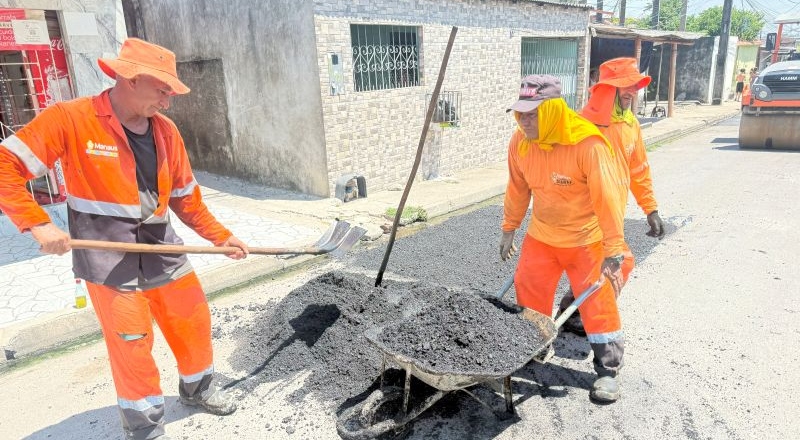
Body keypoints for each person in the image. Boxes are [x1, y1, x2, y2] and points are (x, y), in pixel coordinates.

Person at [0, 38, 249, 440]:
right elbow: (5, 165)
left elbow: (186, 200)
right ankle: (145, 426)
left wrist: (222, 237)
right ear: (131, 79)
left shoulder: (166, 132)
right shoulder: (71, 119)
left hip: (161, 246)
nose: (168, 101)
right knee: (131, 342)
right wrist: (36, 223)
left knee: (192, 317)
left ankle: (198, 387)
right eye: (163, 90)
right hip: (107, 254)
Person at [499, 74, 628, 402]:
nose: (524, 121)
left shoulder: (587, 145)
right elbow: (517, 188)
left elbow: (608, 199)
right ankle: (535, 345)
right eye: (521, 114)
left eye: (532, 114)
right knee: (527, 289)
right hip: (542, 236)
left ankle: (607, 370)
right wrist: (509, 228)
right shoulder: (521, 143)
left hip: (585, 239)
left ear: (553, 111)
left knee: (597, 301)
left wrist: (613, 248)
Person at [559, 57, 666, 336]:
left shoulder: (630, 126)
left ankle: (572, 311)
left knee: (601, 266)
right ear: (607, 90)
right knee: (617, 263)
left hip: (611, 216)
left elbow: (639, 170)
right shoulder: (582, 126)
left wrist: (650, 209)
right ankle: (589, 319)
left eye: (634, 85)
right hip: (582, 216)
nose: (631, 91)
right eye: (623, 86)